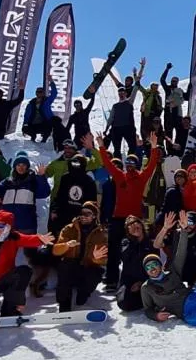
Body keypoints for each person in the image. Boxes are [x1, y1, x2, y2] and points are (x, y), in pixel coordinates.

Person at [97, 132, 162, 284]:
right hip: (118, 218)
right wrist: (101, 146)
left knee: (135, 249)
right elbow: (108, 164)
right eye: (128, 162)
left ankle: (135, 278)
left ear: (136, 165)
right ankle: (112, 278)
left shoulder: (141, 177)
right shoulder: (120, 176)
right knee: (113, 248)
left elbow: (152, 165)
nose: (130, 165)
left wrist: (153, 147)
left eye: (133, 162)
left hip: (135, 220)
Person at [50, 201, 109, 311]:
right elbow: (56, 251)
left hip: (87, 265)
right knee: (64, 267)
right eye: (82, 213)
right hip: (71, 265)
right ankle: (64, 306)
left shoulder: (101, 234)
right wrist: (66, 245)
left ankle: (82, 296)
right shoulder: (69, 228)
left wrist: (96, 258)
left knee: (96, 273)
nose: (83, 216)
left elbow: (104, 260)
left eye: (87, 213)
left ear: (94, 216)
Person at [44, 138, 103, 233]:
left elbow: (99, 162)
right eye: (65, 148)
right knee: (54, 229)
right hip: (59, 201)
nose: (67, 150)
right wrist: (41, 174)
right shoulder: (56, 163)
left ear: (75, 149)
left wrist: (91, 148)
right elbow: (46, 175)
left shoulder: (83, 162)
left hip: (78, 204)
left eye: (70, 148)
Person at [159, 64, 185, 133]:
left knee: (179, 133)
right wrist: (167, 69)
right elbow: (162, 80)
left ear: (177, 82)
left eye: (175, 81)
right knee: (168, 132)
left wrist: (190, 86)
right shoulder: (168, 89)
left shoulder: (180, 90)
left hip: (178, 114)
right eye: (173, 81)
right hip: (168, 113)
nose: (174, 82)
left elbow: (186, 97)